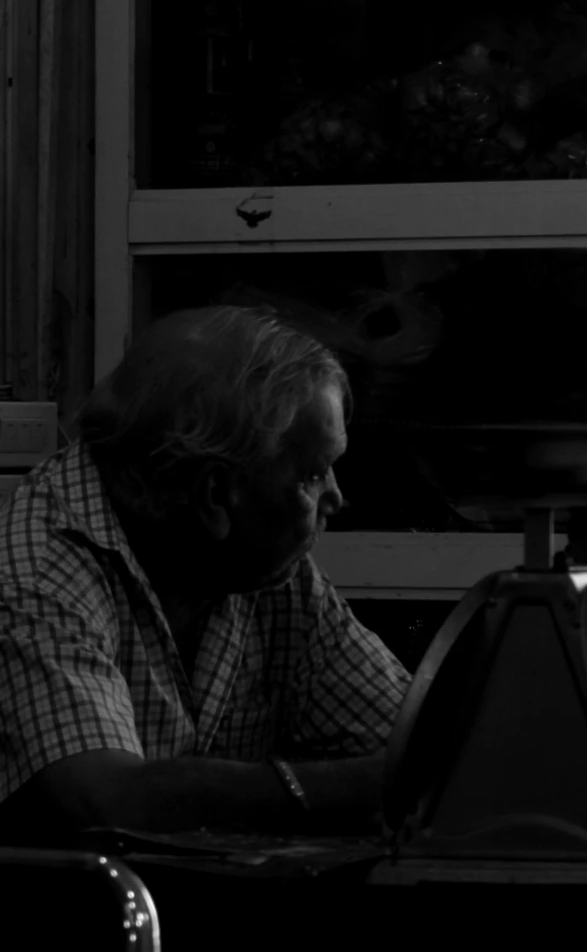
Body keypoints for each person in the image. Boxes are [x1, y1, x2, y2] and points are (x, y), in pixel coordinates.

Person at [0, 307, 410, 838]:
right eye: (311, 474)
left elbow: (419, 739)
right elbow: (110, 806)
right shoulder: (35, 576)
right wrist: (371, 785)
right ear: (216, 495)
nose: (336, 496)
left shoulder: (262, 569)